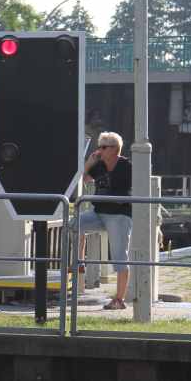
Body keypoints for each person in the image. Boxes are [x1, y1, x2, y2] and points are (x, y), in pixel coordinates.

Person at [71, 131, 132, 310]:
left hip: (119, 216)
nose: (99, 150)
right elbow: (83, 178)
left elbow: (136, 186)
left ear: (115, 149)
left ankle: (119, 300)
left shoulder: (127, 166)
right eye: (99, 146)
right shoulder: (99, 166)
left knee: (120, 257)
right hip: (99, 213)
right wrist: (89, 162)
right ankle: (78, 262)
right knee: (73, 224)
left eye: (103, 147)